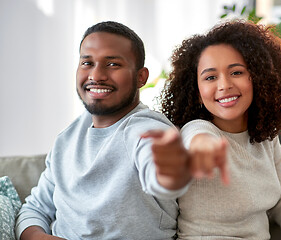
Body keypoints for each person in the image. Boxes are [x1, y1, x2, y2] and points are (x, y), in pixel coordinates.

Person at [15, 21, 191, 240]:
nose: (96, 75)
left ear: (141, 77)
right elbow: (35, 208)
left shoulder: (148, 128)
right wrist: (37, 236)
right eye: (87, 63)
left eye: (113, 64)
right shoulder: (66, 140)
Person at [159, 20, 281, 240]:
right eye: (210, 77)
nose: (224, 85)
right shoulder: (197, 130)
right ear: (196, 90)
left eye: (236, 72)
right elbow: (199, 141)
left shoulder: (266, 139)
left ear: (258, 77)